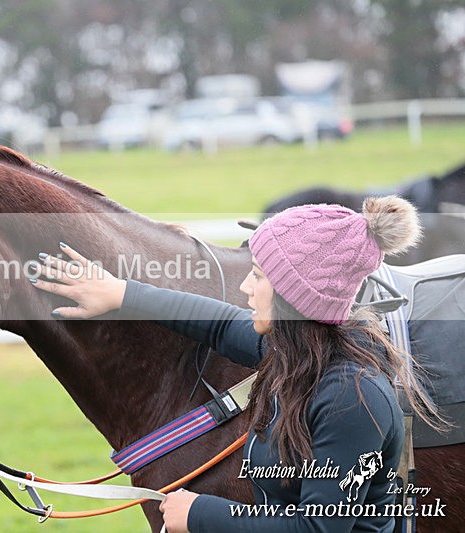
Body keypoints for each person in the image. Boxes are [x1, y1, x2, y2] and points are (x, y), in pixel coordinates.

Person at [29, 196, 444, 532]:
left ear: (294, 297)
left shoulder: (351, 398)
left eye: (258, 276)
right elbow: (220, 323)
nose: (245, 286)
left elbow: (319, 527)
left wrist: (199, 514)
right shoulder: (297, 355)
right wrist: (121, 294)